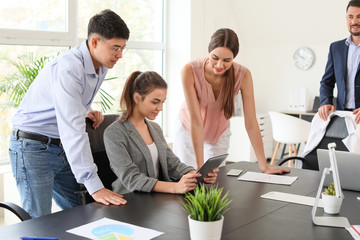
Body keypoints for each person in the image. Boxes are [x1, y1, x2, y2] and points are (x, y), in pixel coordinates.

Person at [9, 9, 129, 218]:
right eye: (115, 48)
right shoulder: (69, 67)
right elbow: (72, 129)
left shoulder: (101, 66)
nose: (120, 55)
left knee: (83, 212)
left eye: (123, 48)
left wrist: (84, 110)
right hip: (32, 147)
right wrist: (94, 185)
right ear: (94, 42)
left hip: (59, 146)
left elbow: (67, 103)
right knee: (39, 222)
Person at [173, 28, 290, 174]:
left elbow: (251, 123)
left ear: (233, 58)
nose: (220, 65)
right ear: (209, 51)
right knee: (190, 178)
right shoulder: (189, 70)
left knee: (216, 180)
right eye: (215, 57)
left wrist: (264, 166)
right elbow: (196, 121)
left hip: (219, 131)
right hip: (189, 129)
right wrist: (199, 167)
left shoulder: (243, 75)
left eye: (227, 60)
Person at [103, 71, 218, 195]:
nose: (160, 108)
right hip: (131, 199)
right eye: (155, 102)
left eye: (162, 102)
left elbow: (172, 163)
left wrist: (195, 175)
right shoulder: (114, 133)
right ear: (137, 98)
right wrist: (175, 187)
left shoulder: (155, 128)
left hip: (157, 198)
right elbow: (131, 178)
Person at [318, 0, 360, 124]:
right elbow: (327, 82)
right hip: (342, 116)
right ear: (346, 18)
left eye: (359, 17)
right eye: (350, 17)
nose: (354, 22)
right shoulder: (335, 48)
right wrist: (326, 103)